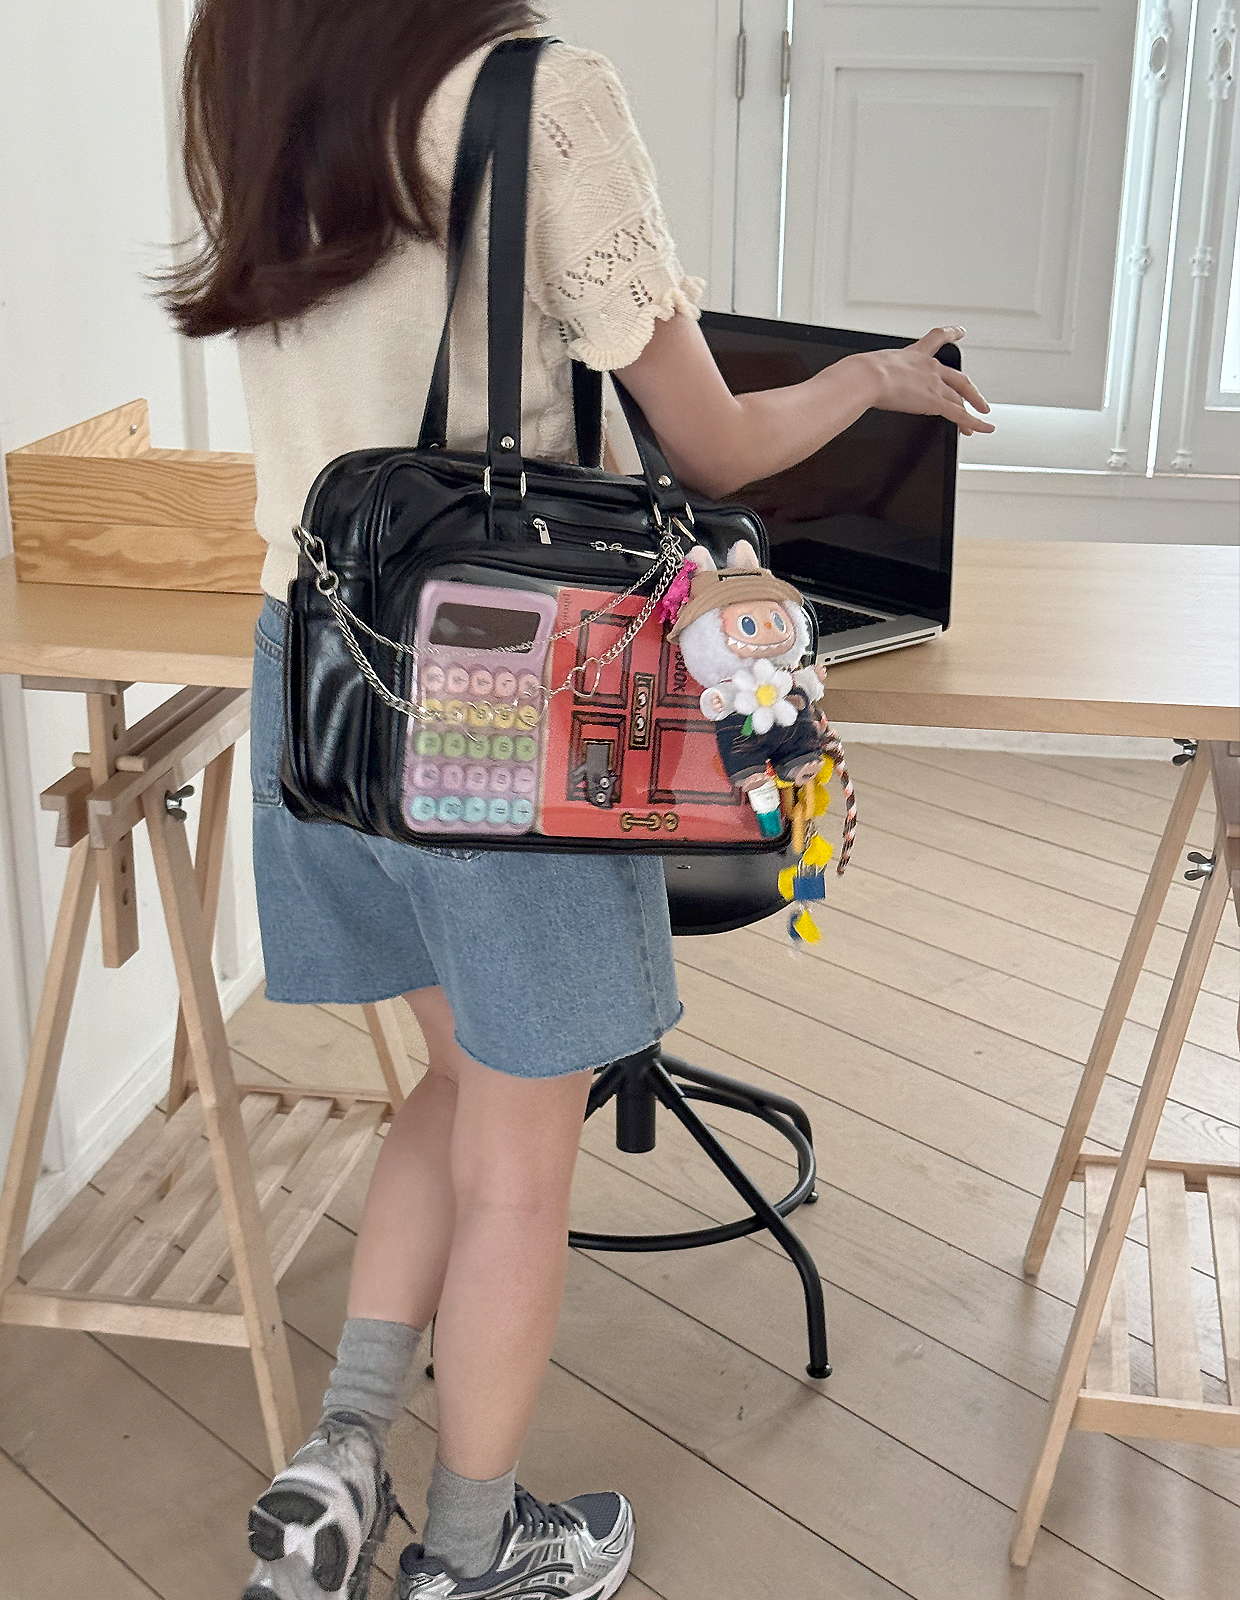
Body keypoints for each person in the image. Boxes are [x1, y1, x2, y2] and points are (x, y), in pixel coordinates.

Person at [162, 5, 993, 1598]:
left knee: (462, 1085)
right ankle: (473, 1557)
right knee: (520, 1162)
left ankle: (341, 1458)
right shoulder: (541, 96)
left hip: (319, 669)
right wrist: (873, 377)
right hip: (501, 687)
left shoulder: (246, 59)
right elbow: (714, 442)